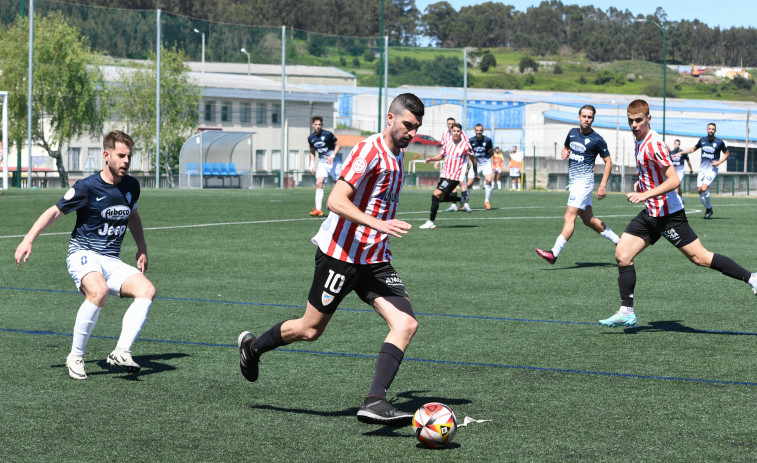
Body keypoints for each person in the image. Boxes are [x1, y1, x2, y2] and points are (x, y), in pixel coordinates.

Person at [238, 93, 425, 426]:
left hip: (374, 259)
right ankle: (252, 348)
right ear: (390, 118)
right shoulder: (369, 151)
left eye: (417, 128)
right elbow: (336, 200)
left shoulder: (398, 157)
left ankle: (375, 400)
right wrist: (378, 224)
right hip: (340, 256)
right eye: (408, 125)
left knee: (406, 323)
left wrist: (378, 233)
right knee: (310, 330)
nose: (412, 133)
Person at [599, 100, 757, 327]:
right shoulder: (638, 139)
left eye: (638, 121)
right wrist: (641, 184)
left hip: (669, 215)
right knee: (623, 254)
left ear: (648, 119)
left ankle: (752, 278)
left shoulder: (654, 144)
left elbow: (673, 180)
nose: (634, 125)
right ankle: (626, 311)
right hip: (652, 213)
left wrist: (645, 194)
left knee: (700, 257)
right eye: (630, 121)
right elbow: (651, 171)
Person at [14, 130, 156, 379]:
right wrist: (28, 239)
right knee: (98, 292)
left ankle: (121, 351)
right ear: (106, 155)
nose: (126, 161)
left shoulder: (132, 186)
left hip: (111, 259)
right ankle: (76, 356)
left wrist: (141, 248)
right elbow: (55, 211)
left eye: (129, 156)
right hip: (83, 253)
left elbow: (132, 215)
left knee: (147, 291)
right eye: (121, 155)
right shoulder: (87, 187)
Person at [536, 105, 619, 264]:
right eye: (584, 116)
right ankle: (619, 241)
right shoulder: (572, 133)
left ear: (593, 119)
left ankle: (554, 253)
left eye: (590, 117)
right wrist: (564, 152)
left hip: (584, 183)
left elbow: (608, 162)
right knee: (589, 220)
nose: (586, 119)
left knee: (569, 216)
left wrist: (602, 185)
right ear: (579, 117)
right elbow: (566, 148)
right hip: (574, 183)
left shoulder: (597, 139)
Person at [420, 123, 476, 229]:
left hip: (454, 176)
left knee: (435, 195)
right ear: (451, 131)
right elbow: (441, 156)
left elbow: (473, 158)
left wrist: (475, 172)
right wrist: (431, 159)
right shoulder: (447, 143)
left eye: (458, 131)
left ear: (461, 132)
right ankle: (462, 199)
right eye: (454, 131)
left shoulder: (465, 145)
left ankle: (431, 221)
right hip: (445, 174)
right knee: (439, 199)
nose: (456, 133)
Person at [677, 123, 729, 219]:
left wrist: (719, 162)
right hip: (702, 170)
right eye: (709, 128)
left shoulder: (719, 142)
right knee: (700, 191)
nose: (711, 130)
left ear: (715, 131)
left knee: (704, 188)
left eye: (713, 129)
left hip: (712, 169)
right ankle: (708, 209)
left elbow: (727, 153)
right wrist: (680, 152)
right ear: (707, 129)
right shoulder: (702, 140)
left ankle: (709, 208)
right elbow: (692, 149)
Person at [308, 116, 342, 217]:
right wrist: (312, 164)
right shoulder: (311, 137)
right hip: (322, 162)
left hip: (334, 162)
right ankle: (318, 210)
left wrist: (332, 156)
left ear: (322, 125)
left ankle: (342, 207)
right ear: (313, 125)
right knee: (319, 183)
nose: (318, 126)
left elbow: (339, 145)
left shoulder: (328, 134)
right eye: (316, 124)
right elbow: (312, 151)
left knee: (339, 184)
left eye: (320, 124)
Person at [439, 117, 472, 213]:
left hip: (460, 164)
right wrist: (437, 161)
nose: (450, 125)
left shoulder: (461, 133)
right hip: (449, 165)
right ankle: (454, 205)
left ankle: (465, 204)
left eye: (452, 123)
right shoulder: (445, 134)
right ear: (447, 124)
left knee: (462, 183)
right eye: (449, 124)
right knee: (452, 185)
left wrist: (466, 164)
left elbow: (467, 148)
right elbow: (443, 147)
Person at [467, 123, 495, 210]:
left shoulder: (488, 140)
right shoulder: (470, 140)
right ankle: (465, 201)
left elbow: (491, 153)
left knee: (489, 180)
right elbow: (468, 154)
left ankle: (487, 201)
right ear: (474, 131)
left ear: (483, 131)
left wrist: (493, 164)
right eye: (477, 130)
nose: (479, 132)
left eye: (480, 130)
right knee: (469, 184)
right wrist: (467, 165)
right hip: (475, 164)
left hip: (486, 163)